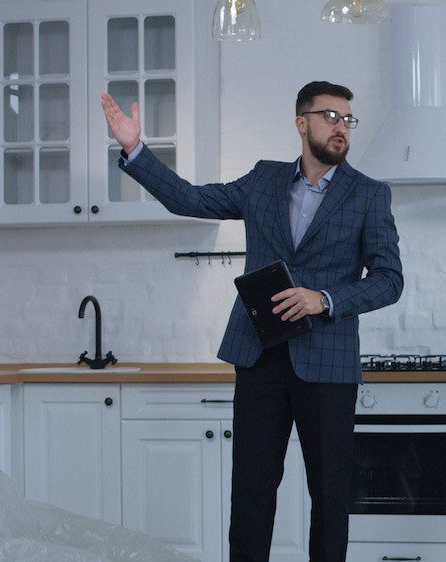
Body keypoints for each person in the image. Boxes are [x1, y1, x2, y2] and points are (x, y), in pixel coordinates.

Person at [100, 81, 403, 562]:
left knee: (330, 498)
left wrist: (322, 298)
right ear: (302, 123)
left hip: (328, 366)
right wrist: (136, 150)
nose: (341, 127)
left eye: (347, 119)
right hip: (259, 355)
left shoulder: (369, 195)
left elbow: (390, 280)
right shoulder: (263, 179)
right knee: (251, 494)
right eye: (330, 116)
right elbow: (190, 200)